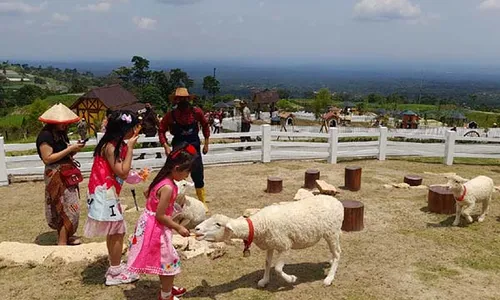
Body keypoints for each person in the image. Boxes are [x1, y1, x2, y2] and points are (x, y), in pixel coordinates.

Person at [127, 142, 196, 300]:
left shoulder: (162, 178)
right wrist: (179, 227)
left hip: (151, 225)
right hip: (157, 228)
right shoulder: (168, 187)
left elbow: (147, 194)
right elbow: (160, 215)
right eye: (186, 172)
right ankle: (166, 295)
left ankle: (168, 288)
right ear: (176, 168)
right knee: (168, 261)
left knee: (163, 259)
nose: (187, 176)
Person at [83, 110, 140, 286]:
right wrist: (131, 148)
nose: (135, 131)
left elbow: (120, 172)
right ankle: (114, 273)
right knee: (118, 231)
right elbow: (122, 171)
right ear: (123, 129)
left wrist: (134, 175)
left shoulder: (111, 144)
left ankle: (114, 265)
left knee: (114, 231)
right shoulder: (111, 147)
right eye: (133, 127)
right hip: (104, 193)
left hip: (104, 191)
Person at [36, 103, 85, 245]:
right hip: (56, 174)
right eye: (62, 123)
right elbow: (48, 158)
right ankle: (62, 243)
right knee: (63, 207)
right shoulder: (45, 136)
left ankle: (66, 237)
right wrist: (69, 150)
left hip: (66, 172)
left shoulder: (60, 134)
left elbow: (63, 154)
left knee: (68, 207)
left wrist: (74, 149)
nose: (65, 125)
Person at [158, 87, 210, 206]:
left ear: (188, 99)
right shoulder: (170, 115)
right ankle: (176, 201)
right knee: (177, 172)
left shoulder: (196, 112)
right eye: (180, 99)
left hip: (194, 144)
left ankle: (202, 202)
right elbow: (161, 130)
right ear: (176, 100)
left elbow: (205, 125)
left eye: (184, 99)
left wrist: (206, 143)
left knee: (198, 173)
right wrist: (165, 145)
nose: (182, 101)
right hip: (179, 146)